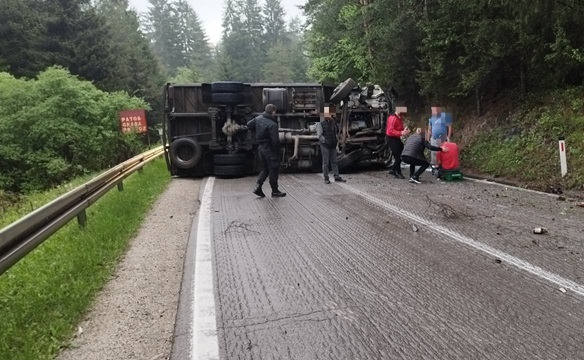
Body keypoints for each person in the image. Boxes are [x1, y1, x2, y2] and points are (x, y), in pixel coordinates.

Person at [247, 104, 286, 198]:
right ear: (273, 111)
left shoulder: (258, 118)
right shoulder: (272, 124)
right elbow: (275, 141)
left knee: (265, 168)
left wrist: (255, 132)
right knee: (273, 169)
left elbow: (248, 125)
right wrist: (277, 152)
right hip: (269, 149)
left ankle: (258, 186)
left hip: (261, 148)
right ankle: (275, 191)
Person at [316, 113, 346, 184]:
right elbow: (319, 135)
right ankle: (326, 178)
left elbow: (335, 133)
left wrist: (336, 143)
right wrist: (325, 141)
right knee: (326, 162)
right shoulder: (320, 123)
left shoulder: (333, 122)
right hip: (325, 145)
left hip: (333, 144)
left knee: (334, 161)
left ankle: (336, 176)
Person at [385, 108, 410, 179]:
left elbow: (399, 128)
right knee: (398, 155)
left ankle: (393, 169)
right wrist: (401, 133)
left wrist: (404, 130)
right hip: (391, 138)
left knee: (402, 153)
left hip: (396, 138)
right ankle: (397, 172)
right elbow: (390, 131)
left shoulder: (399, 118)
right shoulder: (392, 118)